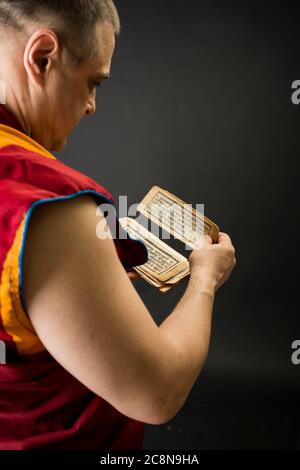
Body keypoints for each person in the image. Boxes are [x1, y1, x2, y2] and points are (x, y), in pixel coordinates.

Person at [0, 0, 236, 450]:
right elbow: (157, 393)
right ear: (42, 57)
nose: (91, 106)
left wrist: (78, 289)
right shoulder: (48, 204)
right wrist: (204, 280)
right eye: (93, 82)